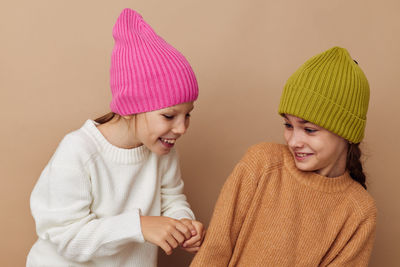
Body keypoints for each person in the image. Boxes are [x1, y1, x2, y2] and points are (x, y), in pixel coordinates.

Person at [27, 8, 204, 267]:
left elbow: (172, 199)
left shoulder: (162, 149)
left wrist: (182, 222)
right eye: (169, 116)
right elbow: (66, 237)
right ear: (132, 107)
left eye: (187, 115)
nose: (181, 128)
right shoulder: (79, 151)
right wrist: (138, 226)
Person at [190, 47, 377, 266]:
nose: (293, 141)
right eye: (288, 125)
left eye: (309, 130)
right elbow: (214, 249)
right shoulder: (262, 163)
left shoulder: (359, 211)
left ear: (346, 133)